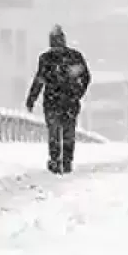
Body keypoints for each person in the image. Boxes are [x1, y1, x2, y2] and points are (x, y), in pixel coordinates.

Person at [25, 25, 91, 174]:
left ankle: (56, 161)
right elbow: (86, 77)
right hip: (69, 102)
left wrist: (31, 99)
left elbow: (39, 80)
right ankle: (66, 161)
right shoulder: (74, 57)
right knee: (67, 133)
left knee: (55, 133)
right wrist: (78, 93)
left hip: (53, 102)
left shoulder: (46, 59)